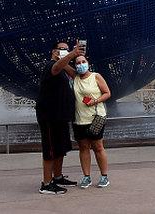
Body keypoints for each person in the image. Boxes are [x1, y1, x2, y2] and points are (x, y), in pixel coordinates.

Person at [36, 41, 84, 195]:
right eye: (61, 49)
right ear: (54, 51)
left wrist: (78, 58)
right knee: (50, 150)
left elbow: (75, 74)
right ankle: (46, 184)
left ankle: (57, 177)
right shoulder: (50, 65)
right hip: (50, 115)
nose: (65, 51)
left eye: (67, 49)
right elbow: (56, 67)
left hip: (62, 116)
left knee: (60, 149)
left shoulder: (63, 67)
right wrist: (71, 54)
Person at [72, 55, 111, 188]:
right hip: (79, 119)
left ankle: (104, 176)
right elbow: (62, 64)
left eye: (83, 62)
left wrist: (95, 101)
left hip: (95, 117)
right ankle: (86, 176)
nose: (81, 64)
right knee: (83, 148)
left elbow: (107, 92)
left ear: (88, 63)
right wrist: (70, 53)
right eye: (78, 63)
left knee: (98, 147)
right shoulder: (75, 77)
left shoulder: (96, 76)